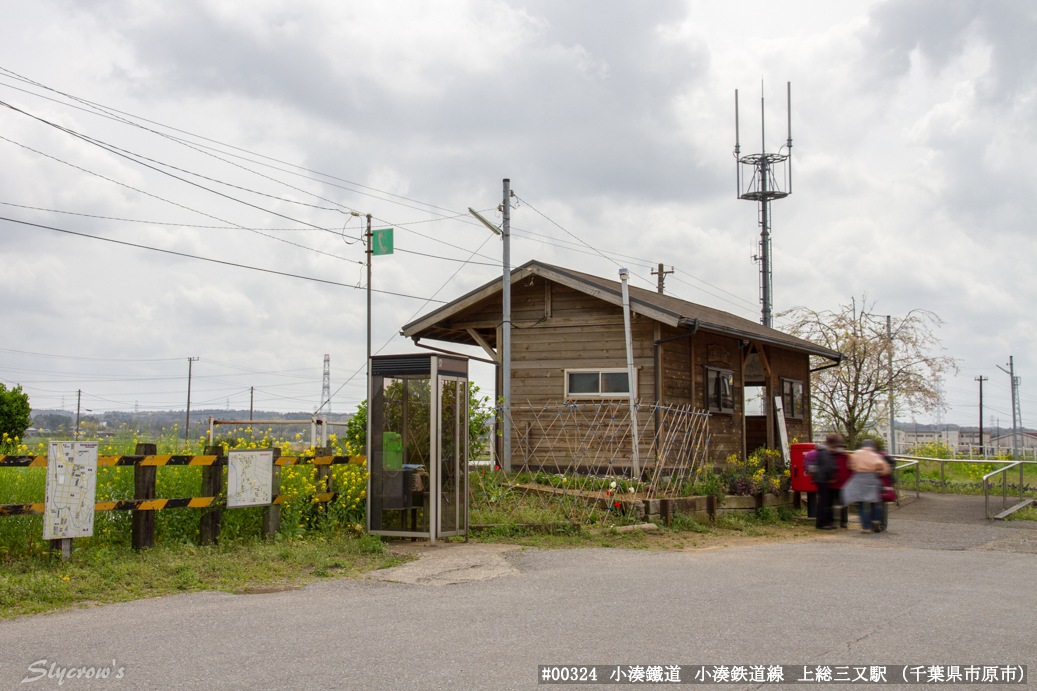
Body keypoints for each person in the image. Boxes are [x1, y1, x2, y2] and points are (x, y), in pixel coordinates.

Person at [844, 439, 890, 533]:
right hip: (872, 478)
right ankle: (876, 519)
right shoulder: (874, 455)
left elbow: (851, 466)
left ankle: (866, 526)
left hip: (859, 478)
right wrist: (878, 472)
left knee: (861, 503)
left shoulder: (857, 453)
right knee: (874, 501)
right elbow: (885, 469)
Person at [807, 433, 843, 530]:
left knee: (824, 501)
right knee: (825, 502)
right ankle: (823, 522)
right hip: (824, 479)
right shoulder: (825, 452)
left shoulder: (822, 450)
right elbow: (828, 466)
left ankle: (824, 521)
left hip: (820, 478)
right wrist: (831, 476)